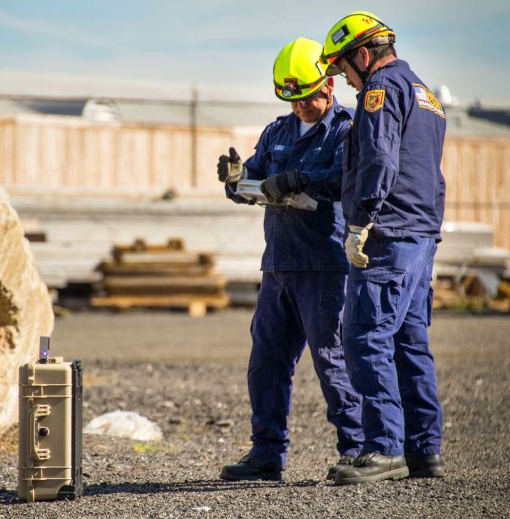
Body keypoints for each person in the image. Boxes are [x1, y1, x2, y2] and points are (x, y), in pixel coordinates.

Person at [217, 37, 363, 482]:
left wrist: (302, 178)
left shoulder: (346, 129)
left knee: (331, 359)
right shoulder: (277, 131)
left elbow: (346, 178)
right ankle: (266, 453)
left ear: (329, 88)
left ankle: (357, 449)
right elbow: (253, 181)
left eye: (308, 98)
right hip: (278, 265)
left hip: (324, 266)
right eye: (293, 100)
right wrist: (236, 179)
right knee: (266, 362)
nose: (300, 107)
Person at [319, 11, 447, 485]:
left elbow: (378, 158)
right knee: (410, 342)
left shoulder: (380, 91)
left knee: (365, 337)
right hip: (420, 235)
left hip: (387, 235)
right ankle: (423, 451)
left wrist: (359, 222)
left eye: (344, 70)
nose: (347, 82)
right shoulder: (426, 95)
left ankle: (384, 448)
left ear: (364, 55)